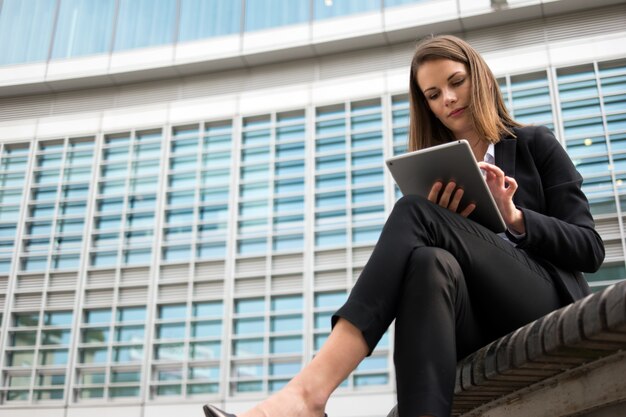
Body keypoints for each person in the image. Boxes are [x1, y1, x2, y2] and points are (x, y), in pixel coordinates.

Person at [204, 34, 605, 417]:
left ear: (477, 78)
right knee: (429, 262)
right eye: (433, 95)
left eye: (456, 83)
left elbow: (590, 248)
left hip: (543, 302)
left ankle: (306, 396)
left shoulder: (534, 143)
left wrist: (514, 217)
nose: (447, 99)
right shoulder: (441, 171)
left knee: (413, 211)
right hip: (476, 317)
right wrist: (453, 227)